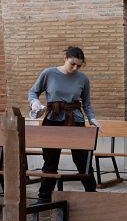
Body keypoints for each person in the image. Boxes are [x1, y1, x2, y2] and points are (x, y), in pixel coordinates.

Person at [28, 46, 101, 204]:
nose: (75, 68)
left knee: (82, 159)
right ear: (65, 59)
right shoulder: (48, 73)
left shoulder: (83, 79)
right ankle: (44, 197)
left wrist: (92, 118)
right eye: (72, 64)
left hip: (75, 121)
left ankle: (92, 194)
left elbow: (87, 103)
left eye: (79, 66)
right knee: (50, 160)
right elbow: (33, 92)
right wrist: (35, 103)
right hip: (52, 120)